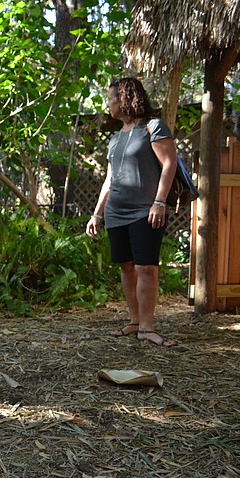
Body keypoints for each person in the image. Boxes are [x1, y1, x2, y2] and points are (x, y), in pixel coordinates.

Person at [86, 77, 177, 347]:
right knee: (127, 267)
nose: (108, 103)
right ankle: (135, 321)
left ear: (124, 99)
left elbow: (169, 163)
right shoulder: (115, 138)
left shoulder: (153, 127)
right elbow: (109, 179)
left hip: (145, 211)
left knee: (146, 267)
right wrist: (97, 214)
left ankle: (148, 328)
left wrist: (159, 202)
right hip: (116, 212)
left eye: (111, 97)